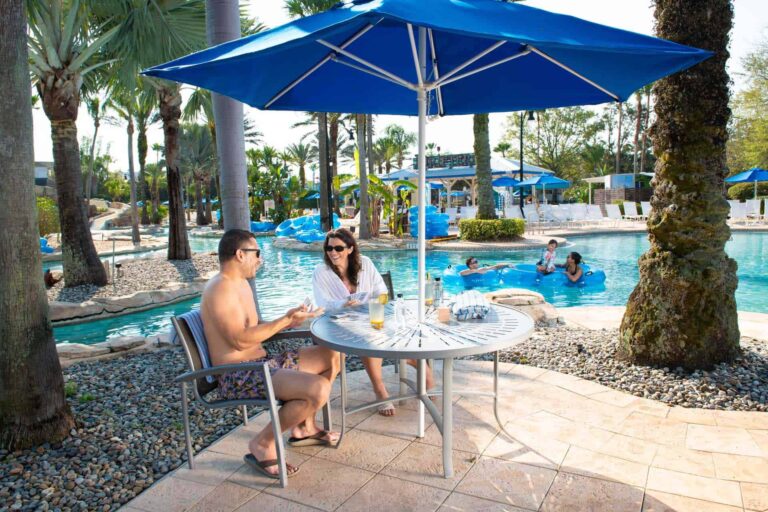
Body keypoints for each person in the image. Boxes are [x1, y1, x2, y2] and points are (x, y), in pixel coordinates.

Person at [200, 229, 338, 479]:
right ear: (240, 254)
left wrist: (289, 321)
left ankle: (303, 427)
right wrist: (285, 319)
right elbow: (240, 340)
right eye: (257, 253)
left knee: (331, 356)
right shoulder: (220, 288)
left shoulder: (240, 284)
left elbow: (254, 327)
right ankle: (263, 443)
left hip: (261, 364)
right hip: (238, 374)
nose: (260, 259)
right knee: (317, 389)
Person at [312, 228, 433, 417]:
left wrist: (371, 303)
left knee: (398, 331)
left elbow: (382, 292)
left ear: (350, 249)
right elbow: (322, 304)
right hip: (336, 322)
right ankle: (380, 391)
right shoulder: (321, 271)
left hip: (368, 315)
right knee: (368, 338)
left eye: (338, 248)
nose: (333, 252)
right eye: (329, 248)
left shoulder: (365, 264)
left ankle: (423, 369)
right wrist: (343, 303)